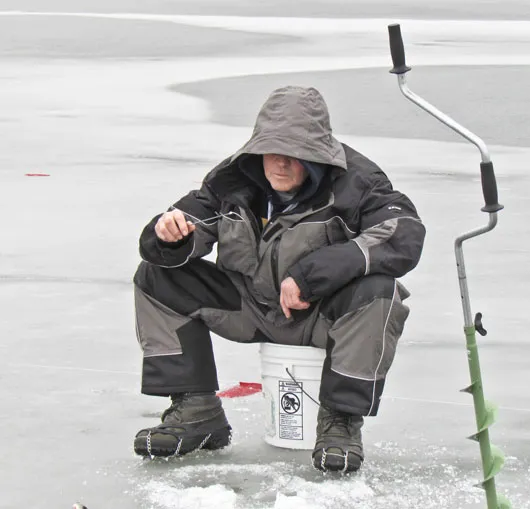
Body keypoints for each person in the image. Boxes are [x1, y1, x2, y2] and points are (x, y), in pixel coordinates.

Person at [132, 85, 426, 473]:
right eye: (273, 151)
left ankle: (339, 423)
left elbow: (403, 233)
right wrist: (167, 234)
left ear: (317, 155)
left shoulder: (359, 182)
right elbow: (189, 223)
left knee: (380, 292)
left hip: (319, 317)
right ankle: (196, 410)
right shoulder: (231, 180)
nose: (281, 164)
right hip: (248, 307)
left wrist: (311, 276)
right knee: (157, 276)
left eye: (295, 154)